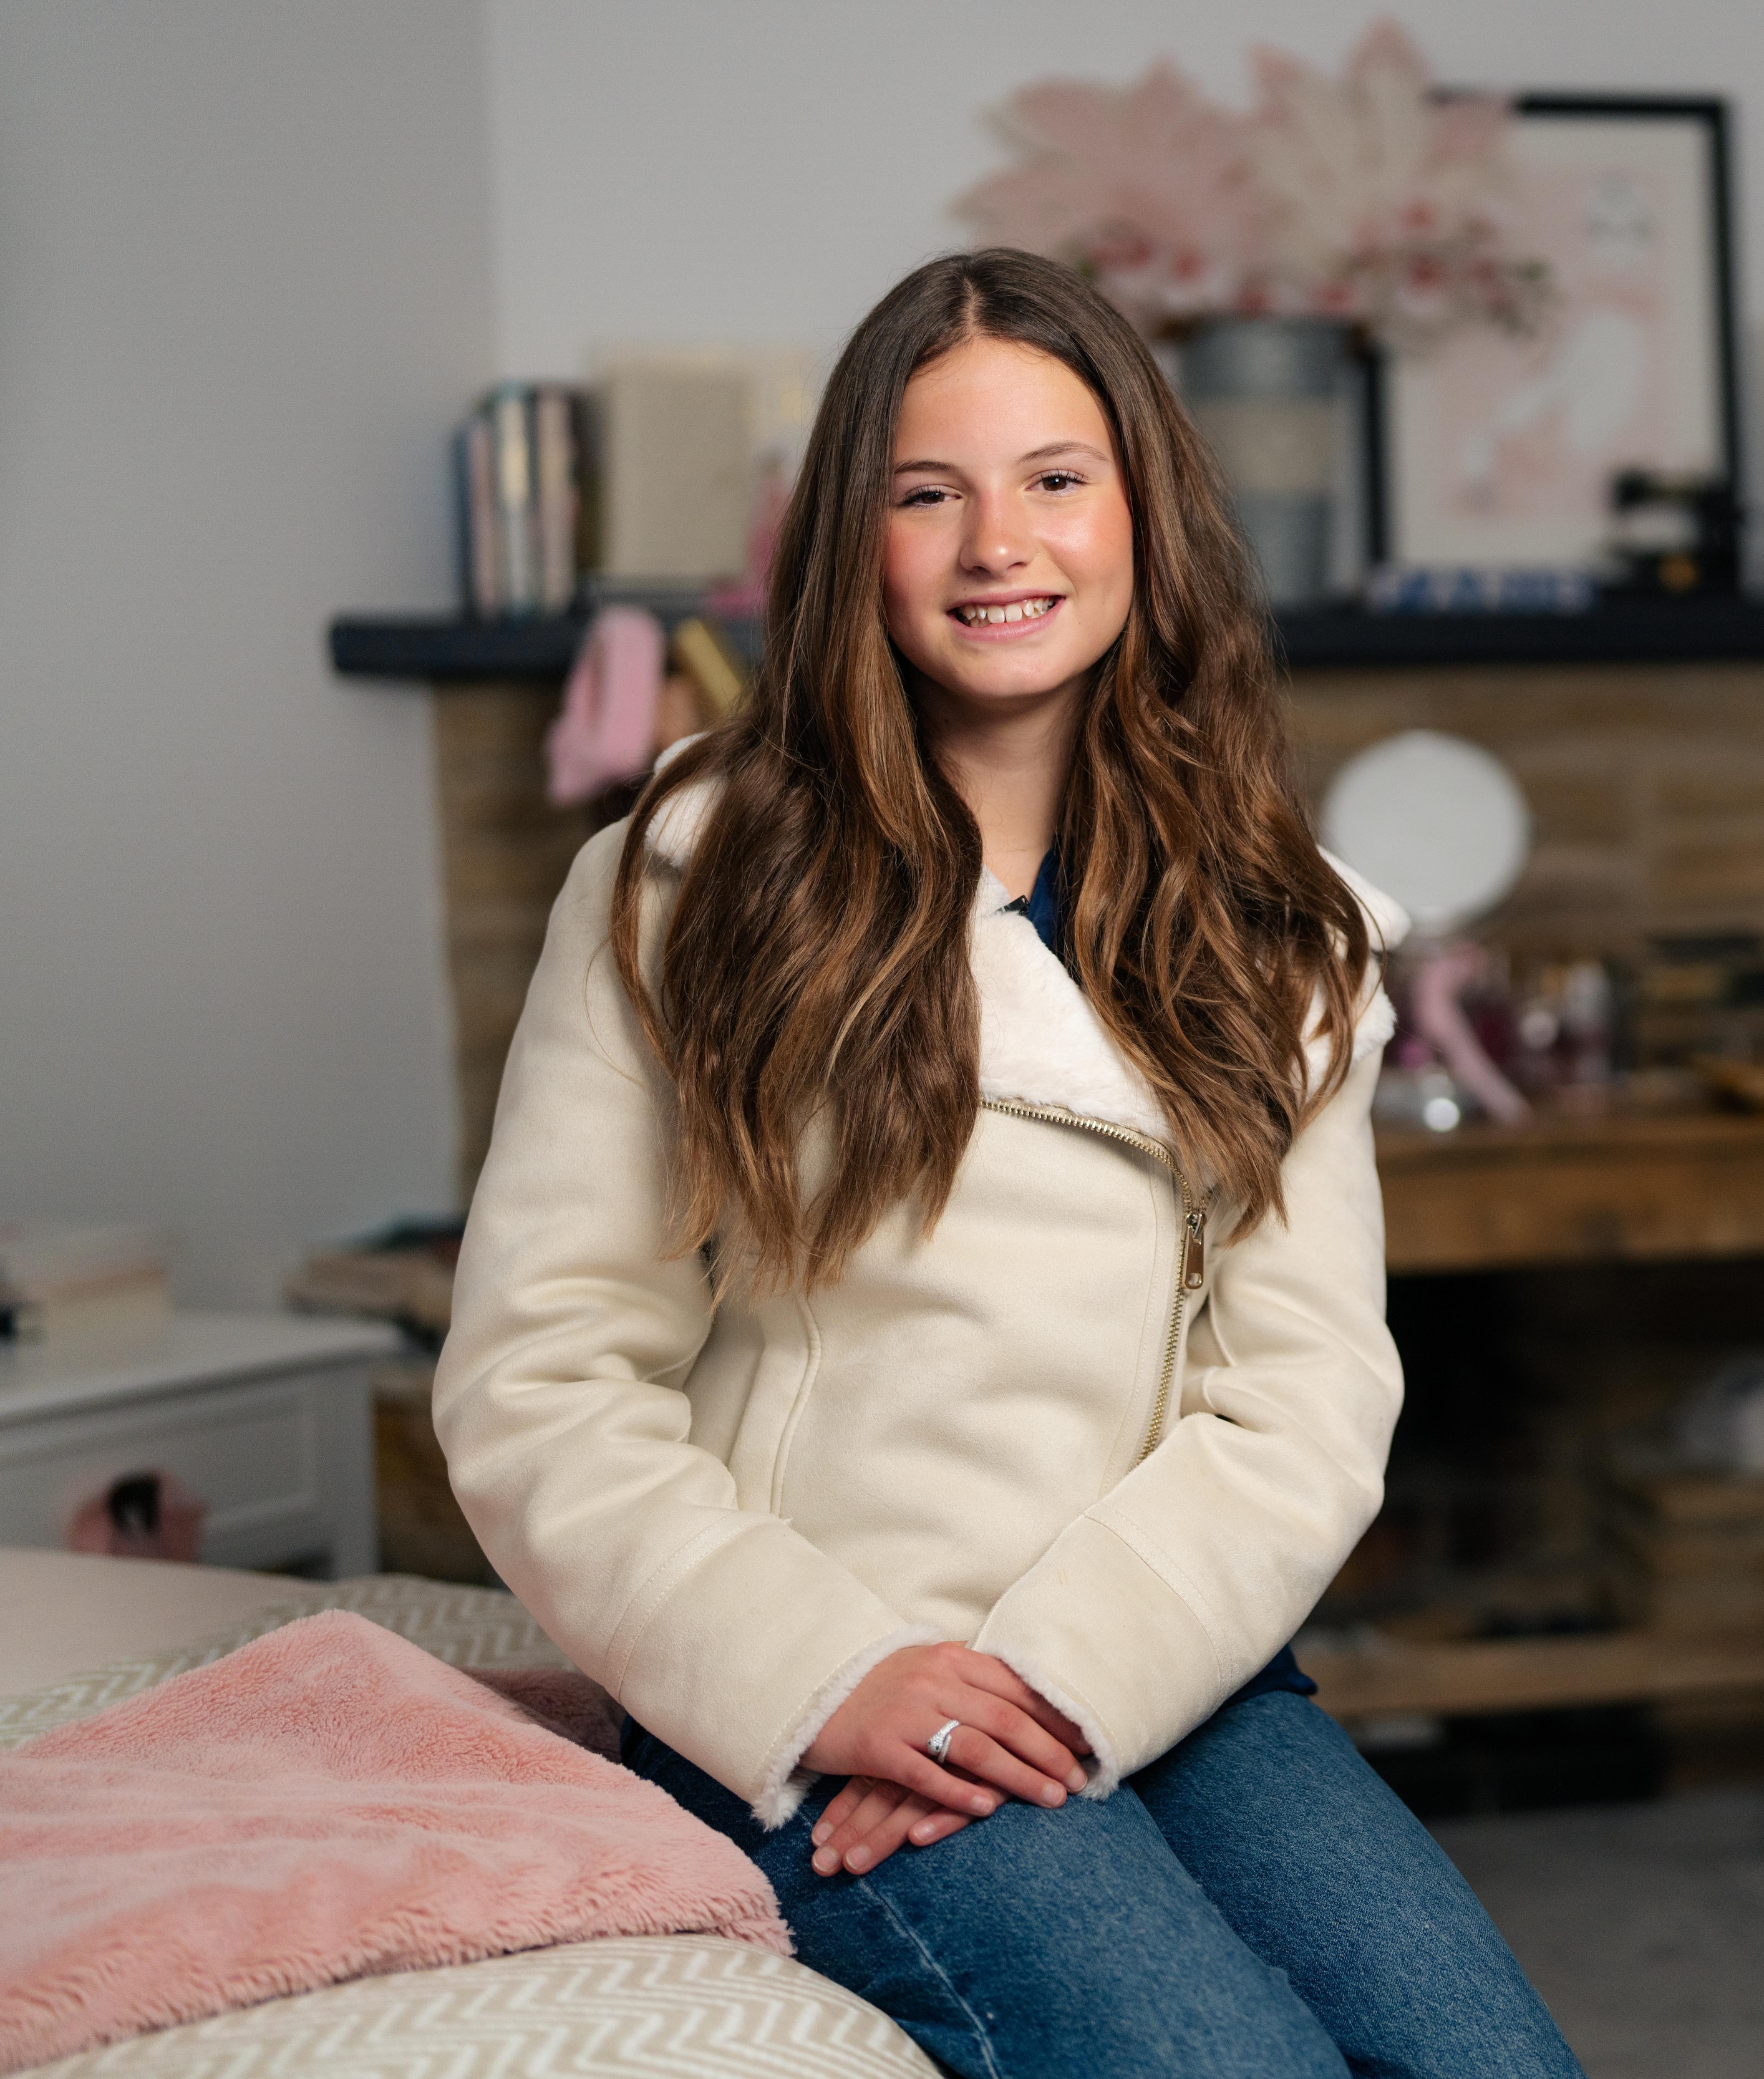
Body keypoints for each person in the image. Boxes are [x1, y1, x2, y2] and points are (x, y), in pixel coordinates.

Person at [431, 248, 1582, 2079]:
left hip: (1156, 1664)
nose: (1000, 544)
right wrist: (833, 1684)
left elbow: (1306, 1393)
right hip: (827, 1666)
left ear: (1143, 514)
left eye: (1057, 478)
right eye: (927, 492)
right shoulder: (691, 877)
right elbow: (541, 1380)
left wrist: (1067, 1680)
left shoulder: (1281, 924)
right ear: (852, 544)